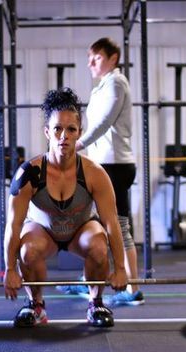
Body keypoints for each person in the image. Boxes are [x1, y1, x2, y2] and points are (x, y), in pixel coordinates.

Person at [3, 87, 128, 328]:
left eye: (71, 129)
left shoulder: (94, 174)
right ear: (47, 132)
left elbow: (112, 223)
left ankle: (96, 303)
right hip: (43, 231)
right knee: (27, 250)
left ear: (79, 132)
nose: (64, 136)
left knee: (99, 245)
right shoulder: (28, 173)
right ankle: (36, 306)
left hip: (80, 230)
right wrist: (9, 268)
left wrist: (121, 268)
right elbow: (13, 225)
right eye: (58, 129)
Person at [65, 37, 144, 306]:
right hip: (102, 164)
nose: (90, 62)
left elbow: (103, 123)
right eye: (89, 57)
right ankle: (90, 279)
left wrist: (76, 144)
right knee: (91, 222)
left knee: (119, 227)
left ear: (113, 58)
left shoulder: (117, 83)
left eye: (96, 57)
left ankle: (132, 288)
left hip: (116, 166)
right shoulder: (101, 88)